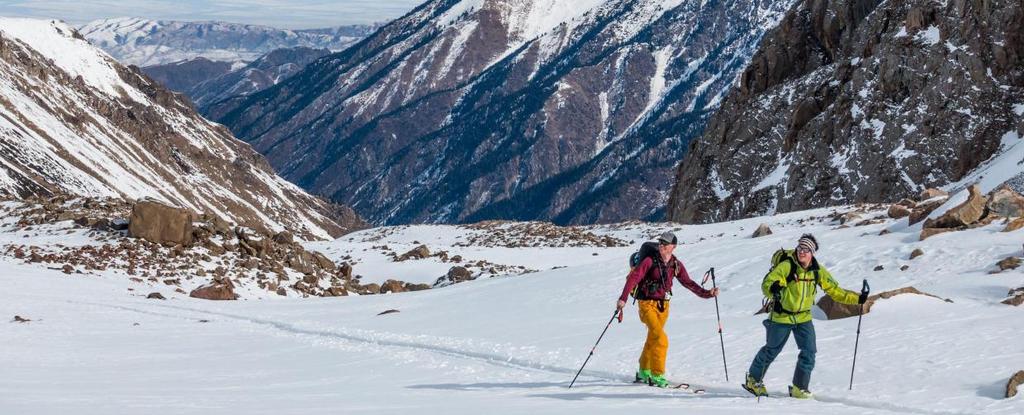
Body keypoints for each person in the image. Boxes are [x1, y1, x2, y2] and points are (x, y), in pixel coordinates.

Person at [742, 234, 868, 399]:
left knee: (809, 351)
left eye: (806, 249)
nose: (801, 251)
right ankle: (753, 379)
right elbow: (767, 283)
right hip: (782, 317)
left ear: (812, 253)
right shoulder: (787, 266)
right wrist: (774, 289)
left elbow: (835, 291)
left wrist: (858, 298)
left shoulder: (817, 271)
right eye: (800, 247)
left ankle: (799, 387)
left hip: (803, 318)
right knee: (772, 349)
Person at [616, 231, 719, 387]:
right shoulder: (650, 261)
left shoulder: (675, 264)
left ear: (673, 247)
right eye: (660, 243)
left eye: (665, 243)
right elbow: (634, 277)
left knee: (653, 338)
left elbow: (688, 282)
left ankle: (643, 371)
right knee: (661, 339)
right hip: (646, 305)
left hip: (664, 306)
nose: (661, 245)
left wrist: (707, 294)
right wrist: (623, 298)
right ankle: (657, 375)